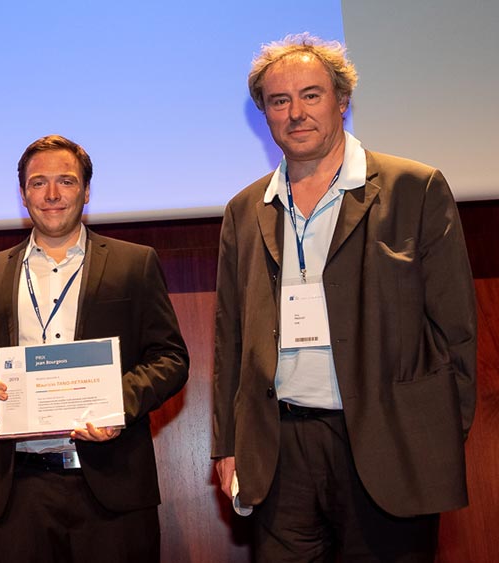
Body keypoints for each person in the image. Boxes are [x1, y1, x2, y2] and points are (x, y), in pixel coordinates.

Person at [212, 33, 477, 561]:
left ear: (342, 101)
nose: (295, 113)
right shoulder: (246, 209)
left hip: (389, 444)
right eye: (279, 101)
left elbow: (456, 333)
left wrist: (435, 436)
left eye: (311, 95)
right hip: (280, 450)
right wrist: (227, 445)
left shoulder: (414, 188)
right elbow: (229, 339)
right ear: (264, 113)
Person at [0, 135, 189, 563]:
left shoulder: (133, 263)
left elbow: (170, 358)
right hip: (21, 492)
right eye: (39, 183)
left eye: (66, 181)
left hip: (111, 484)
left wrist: (115, 403)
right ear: (23, 194)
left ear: (86, 190)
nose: (53, 194)